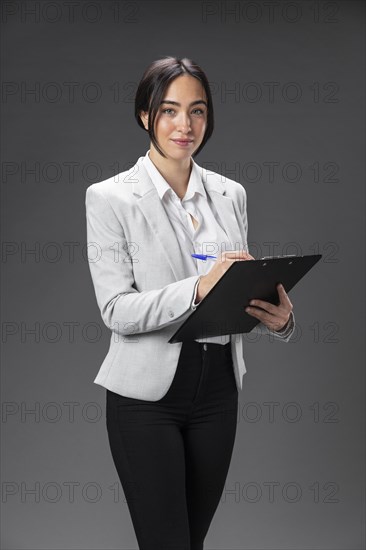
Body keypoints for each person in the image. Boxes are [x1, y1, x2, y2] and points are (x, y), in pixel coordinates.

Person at [85, 56, 295, 550]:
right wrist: (198, 287)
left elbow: (235, 292)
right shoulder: (111, 197)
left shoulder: (230, 194)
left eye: (197, 111)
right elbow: (117, 310)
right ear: (145, 116)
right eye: (170, 111)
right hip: (145, 399)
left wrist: (280, 320)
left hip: (219, 389)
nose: (185, 125)